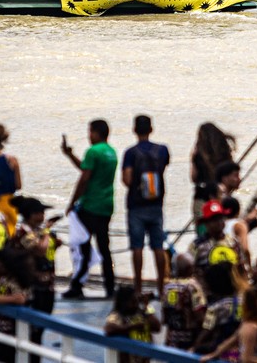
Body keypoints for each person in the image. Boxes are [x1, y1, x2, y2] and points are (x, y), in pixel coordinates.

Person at [62, 119, 117, 299]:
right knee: (104, 247)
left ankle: (77, 285)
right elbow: (87, 169)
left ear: (96, 133)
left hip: (90, 206)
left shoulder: (93, 151)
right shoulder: (111, 152)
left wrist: (72, 202)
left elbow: (85, 178)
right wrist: (70, 155)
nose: (88, 135)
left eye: (90, 132)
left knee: (82, 247)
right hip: (106, 206)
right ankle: (110, 286)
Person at [121, 114, 170, 295]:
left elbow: (126, 179)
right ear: (151, 129)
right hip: (157, 204)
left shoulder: (130, 153)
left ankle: (139, 289)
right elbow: (162, 169)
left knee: (137, 247)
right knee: (158, 246)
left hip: (136, 205)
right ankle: (161, 287)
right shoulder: (162, 150)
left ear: (134, 130)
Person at [12, 195, 61, 363]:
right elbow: (40, 250)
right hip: (32, 288)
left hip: (46, 286)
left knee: (40, 330)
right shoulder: (24, 232)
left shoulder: (38, 232)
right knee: (32, 330)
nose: (42, 217)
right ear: (30, 214)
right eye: (39, 213)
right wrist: (47, 232)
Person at [104, 285, 161, 363]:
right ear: (124, 301)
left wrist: (147, 307)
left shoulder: (142, 313)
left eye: (136, 300)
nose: (136, 303)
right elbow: (108, 328)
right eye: (133, 301)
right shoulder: (117, 315)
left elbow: (157, 327)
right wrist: (132, 327)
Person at [162, 252, 207, 352]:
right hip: (189, 340)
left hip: (172, 340)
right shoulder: (192, 286)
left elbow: (165, 317)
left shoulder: (167, 287)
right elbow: (199, 316)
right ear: (190, 268)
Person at [190, 122, 236, 217]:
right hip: (222, 195)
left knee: (203, 228)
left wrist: (192, 159)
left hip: (202, 198)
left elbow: (193, 177)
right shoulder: (225, 154)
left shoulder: (198, 156)